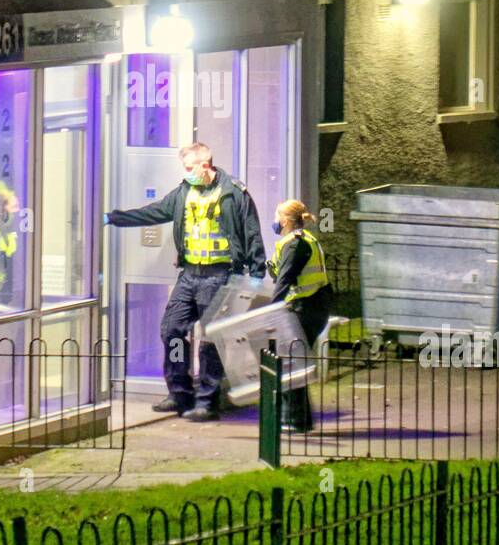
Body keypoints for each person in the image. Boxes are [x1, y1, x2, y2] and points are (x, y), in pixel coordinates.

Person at [104, 141, 267, 421]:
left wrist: (256, 274)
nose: (187, 172)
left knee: (211, 338)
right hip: (190, 274)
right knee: (172, 330)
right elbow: (154, 212)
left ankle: (206, 401)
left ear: (206, 165)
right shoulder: (184, 192)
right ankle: (179, 393)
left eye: (190, 167)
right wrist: (114, 218)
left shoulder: (234, 193)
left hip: (220, 274)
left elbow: (251, 232)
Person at [267, 200, 332, 434]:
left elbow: (284, 281)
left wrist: (270, 313)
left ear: (284, 220)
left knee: (291, 362)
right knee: (295, 361)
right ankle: (298, 419)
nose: (274, 220)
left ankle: (294, 419)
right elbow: (282, 273)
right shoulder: (301, 241)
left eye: (277, 216)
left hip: (306, 309)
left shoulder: (295, 245)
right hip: (311, 307)